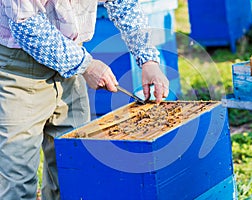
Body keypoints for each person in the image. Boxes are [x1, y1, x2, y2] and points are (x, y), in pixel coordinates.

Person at [0, 0, 169, 199]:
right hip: (18, 69)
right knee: (17, 181)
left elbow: (123, 3)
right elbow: (26, 25)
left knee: (72, 172)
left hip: (72, 63)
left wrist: (148, 58)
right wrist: (85, 65)